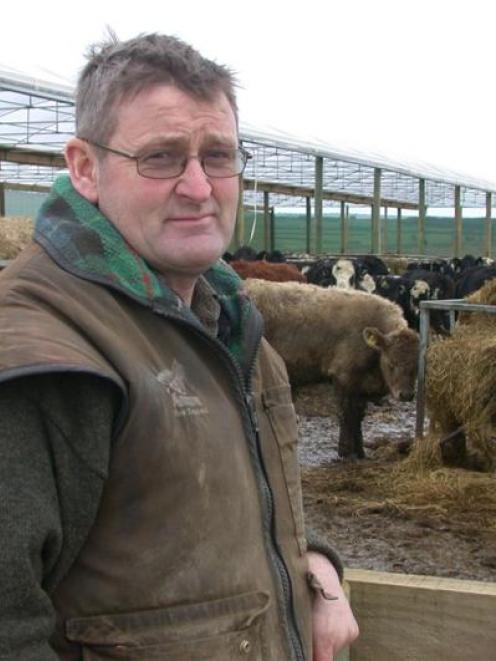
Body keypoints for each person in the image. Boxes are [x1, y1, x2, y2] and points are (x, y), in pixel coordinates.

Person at [0, 33, 358, 660]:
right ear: (85, 168)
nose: (198, 187)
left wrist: (316, 566)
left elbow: (207, 502)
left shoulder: (229, 321)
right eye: (161, 157)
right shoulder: (42, 349)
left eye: (218, 155)